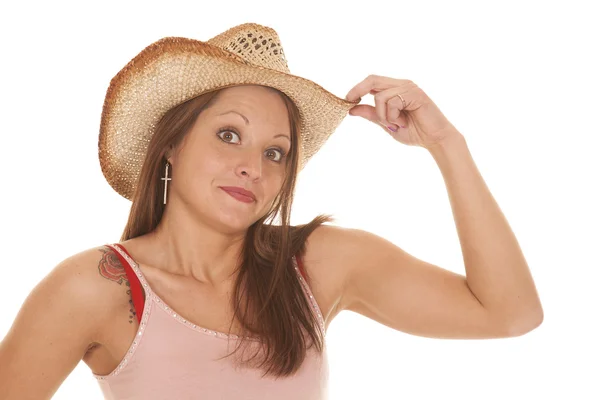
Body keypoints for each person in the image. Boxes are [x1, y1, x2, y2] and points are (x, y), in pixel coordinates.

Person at [0, 23, 543, 399]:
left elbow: (510, 313)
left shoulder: (316, 265)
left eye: (275, 151)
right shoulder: (96, 288)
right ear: (172, 143)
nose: (252, 167)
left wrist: (447, 144)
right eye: (229, 134)